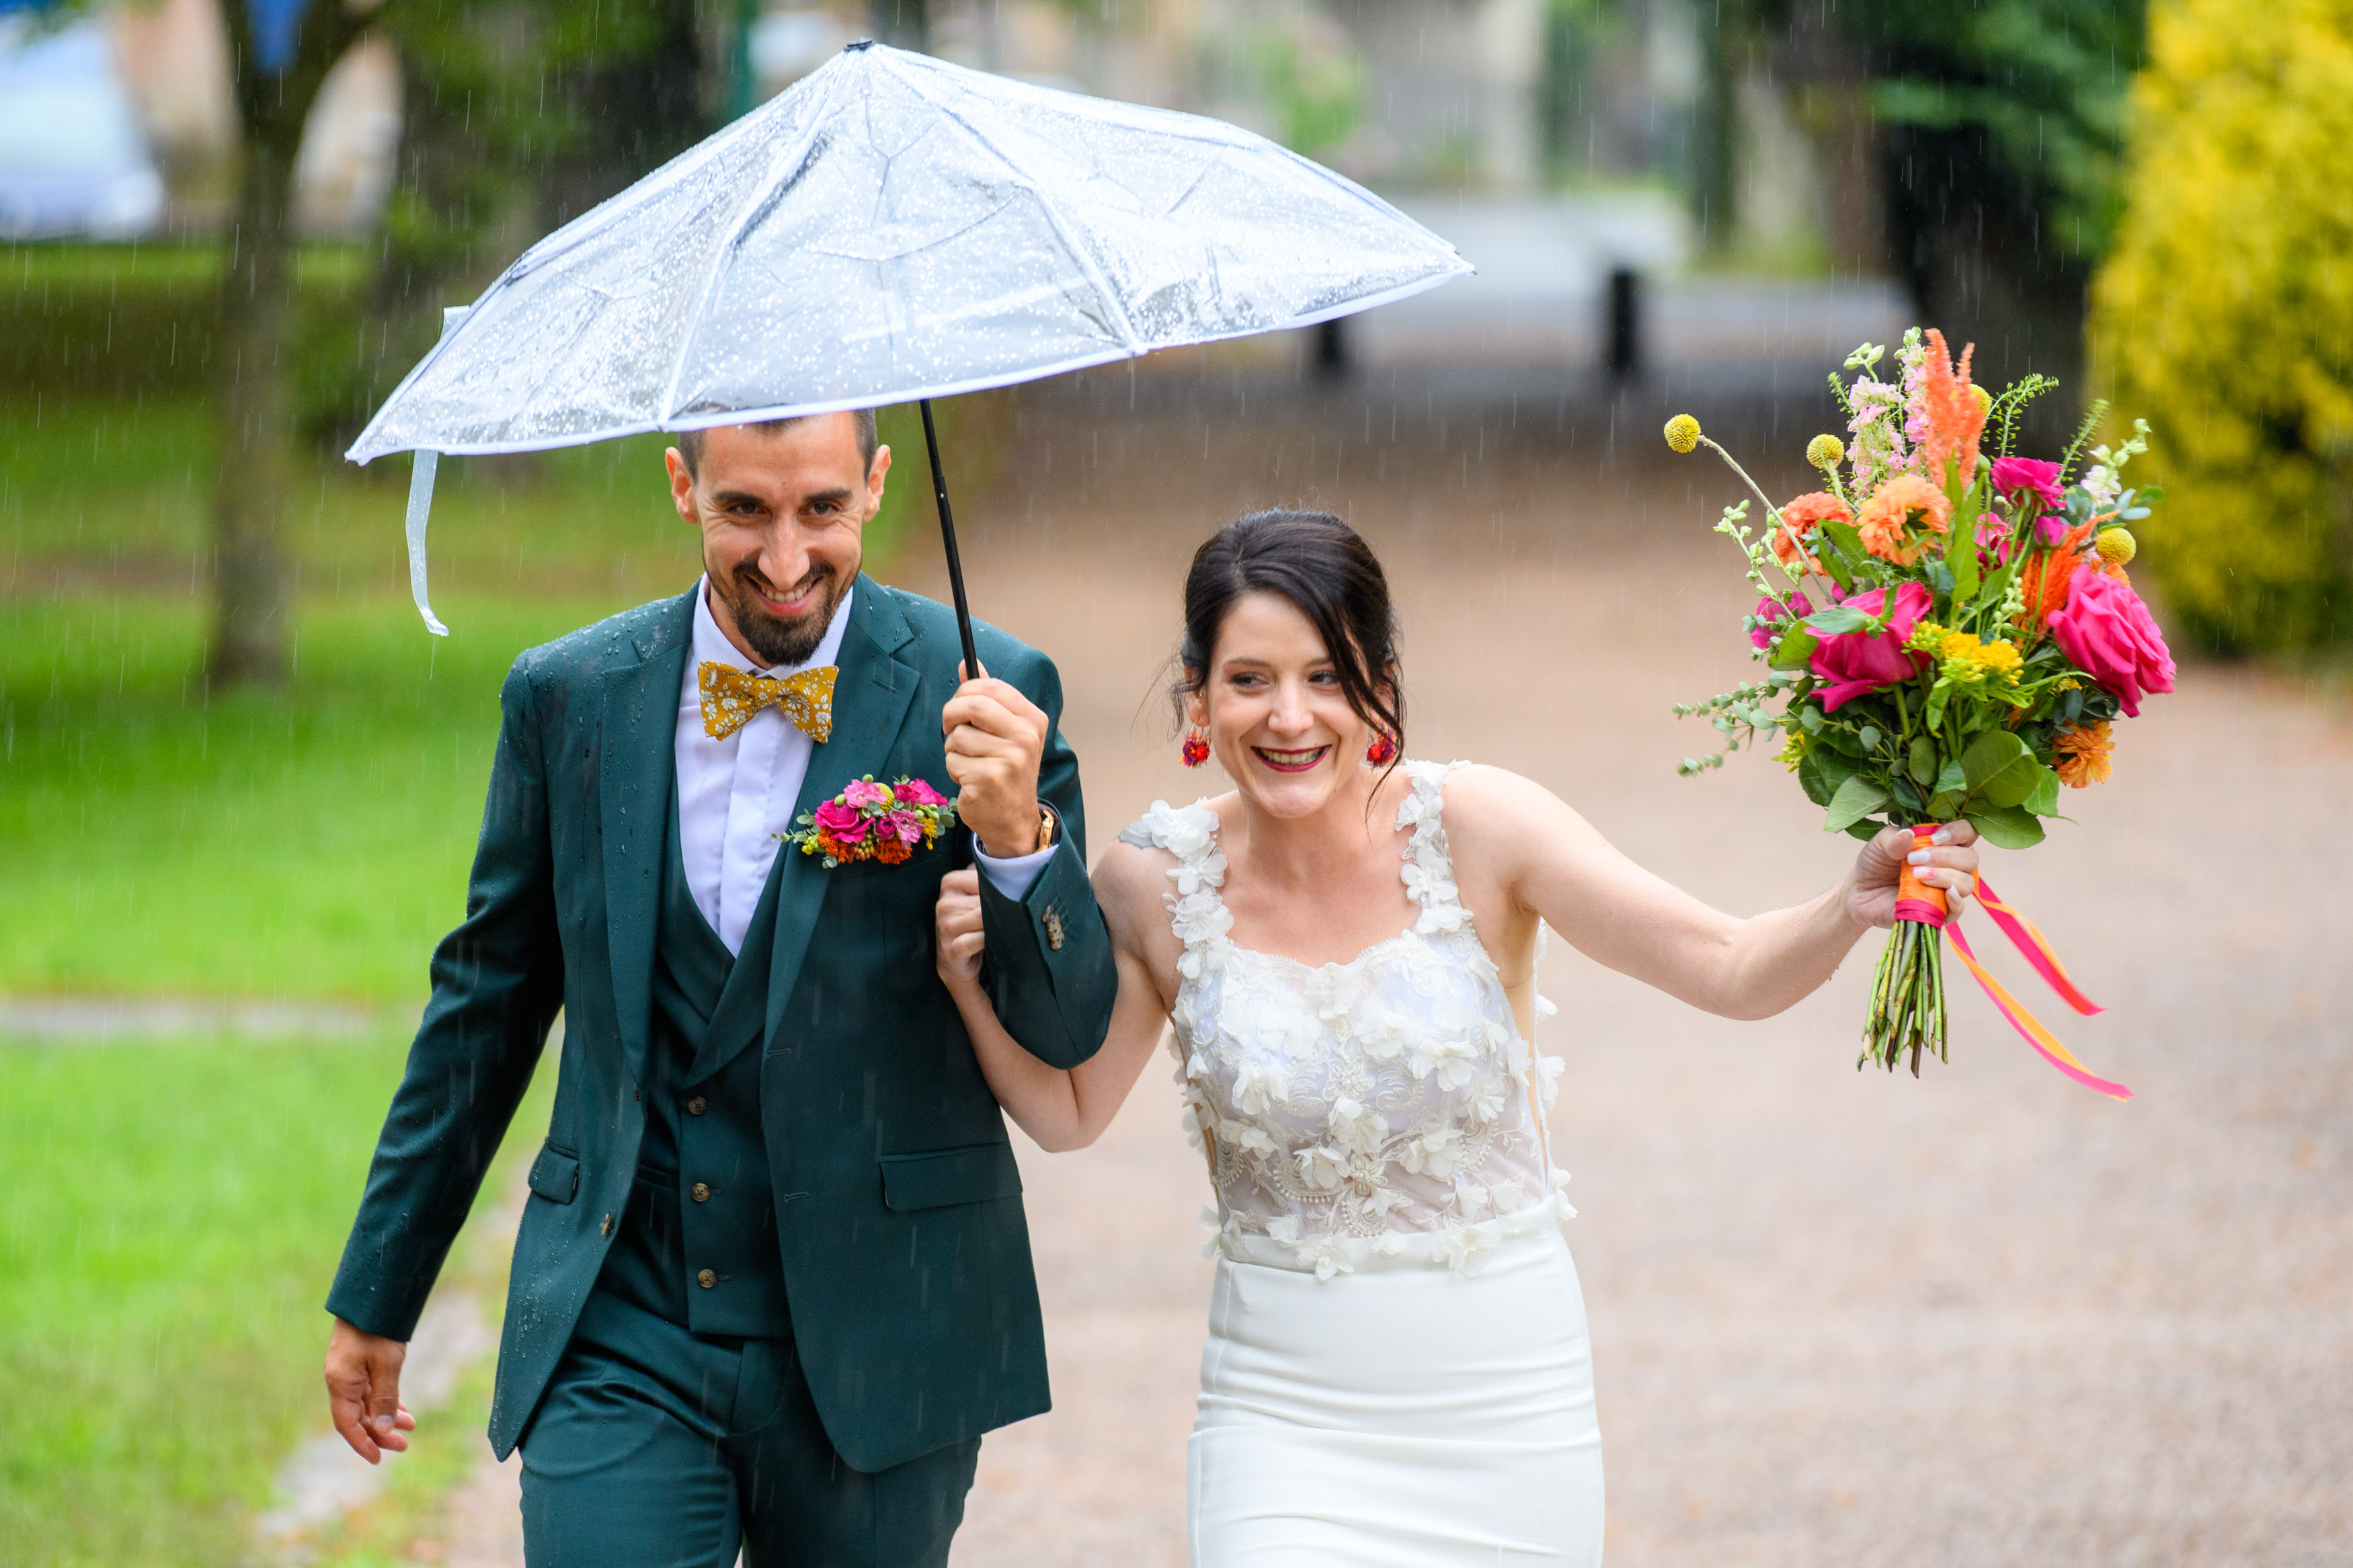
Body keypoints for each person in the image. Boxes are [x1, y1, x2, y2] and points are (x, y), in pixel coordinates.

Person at [932, 509, 1981, 1565]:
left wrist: (1851, 903)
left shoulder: (1480, 827)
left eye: (1327, 676)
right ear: (1197, 697)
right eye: (1250, 679)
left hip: (1508, 1411)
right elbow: (1071, 1113)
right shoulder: (1150, 881)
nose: (1290, 716)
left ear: (1381, 688)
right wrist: (971, 986)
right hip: (1278, 1421)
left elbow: (1726, 964)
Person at [320, 411, 1118, 1567]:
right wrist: (379, 1286)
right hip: (625, 1318)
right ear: (681, 485)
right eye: (746, 508)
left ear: (879, 483)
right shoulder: (571, 694)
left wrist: (1017, 843)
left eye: (821, 510)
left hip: (884, 1323)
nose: (786, 562)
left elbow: (1068, 1029)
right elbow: (486, 1004)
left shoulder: (991, 691)